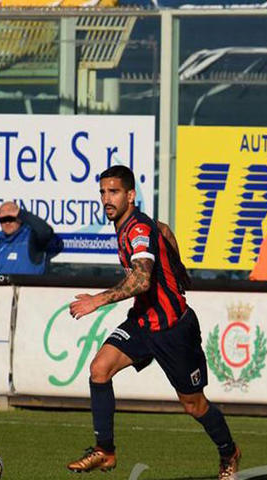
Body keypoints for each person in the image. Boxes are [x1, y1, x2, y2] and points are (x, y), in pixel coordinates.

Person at [66, 165, 241, 480]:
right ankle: (105, 450)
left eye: (114, 192)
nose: (107, 199)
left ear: (130, 195)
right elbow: (164, 230)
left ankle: (229, 451)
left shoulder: (136, 230)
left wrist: (97, 300)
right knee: (99, 369)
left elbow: (142, 280)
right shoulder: (132, 224)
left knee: (194, 405)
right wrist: (177, 264)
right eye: (103, 192)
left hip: (173, 329)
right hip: (142, 323)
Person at [0, 201, 63, 275]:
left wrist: (21, 213)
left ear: (19, 218)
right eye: (3, 220)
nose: (7, 223)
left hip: (31, 284)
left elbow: (46, 232)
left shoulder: (32, 237)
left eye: (11, 219)